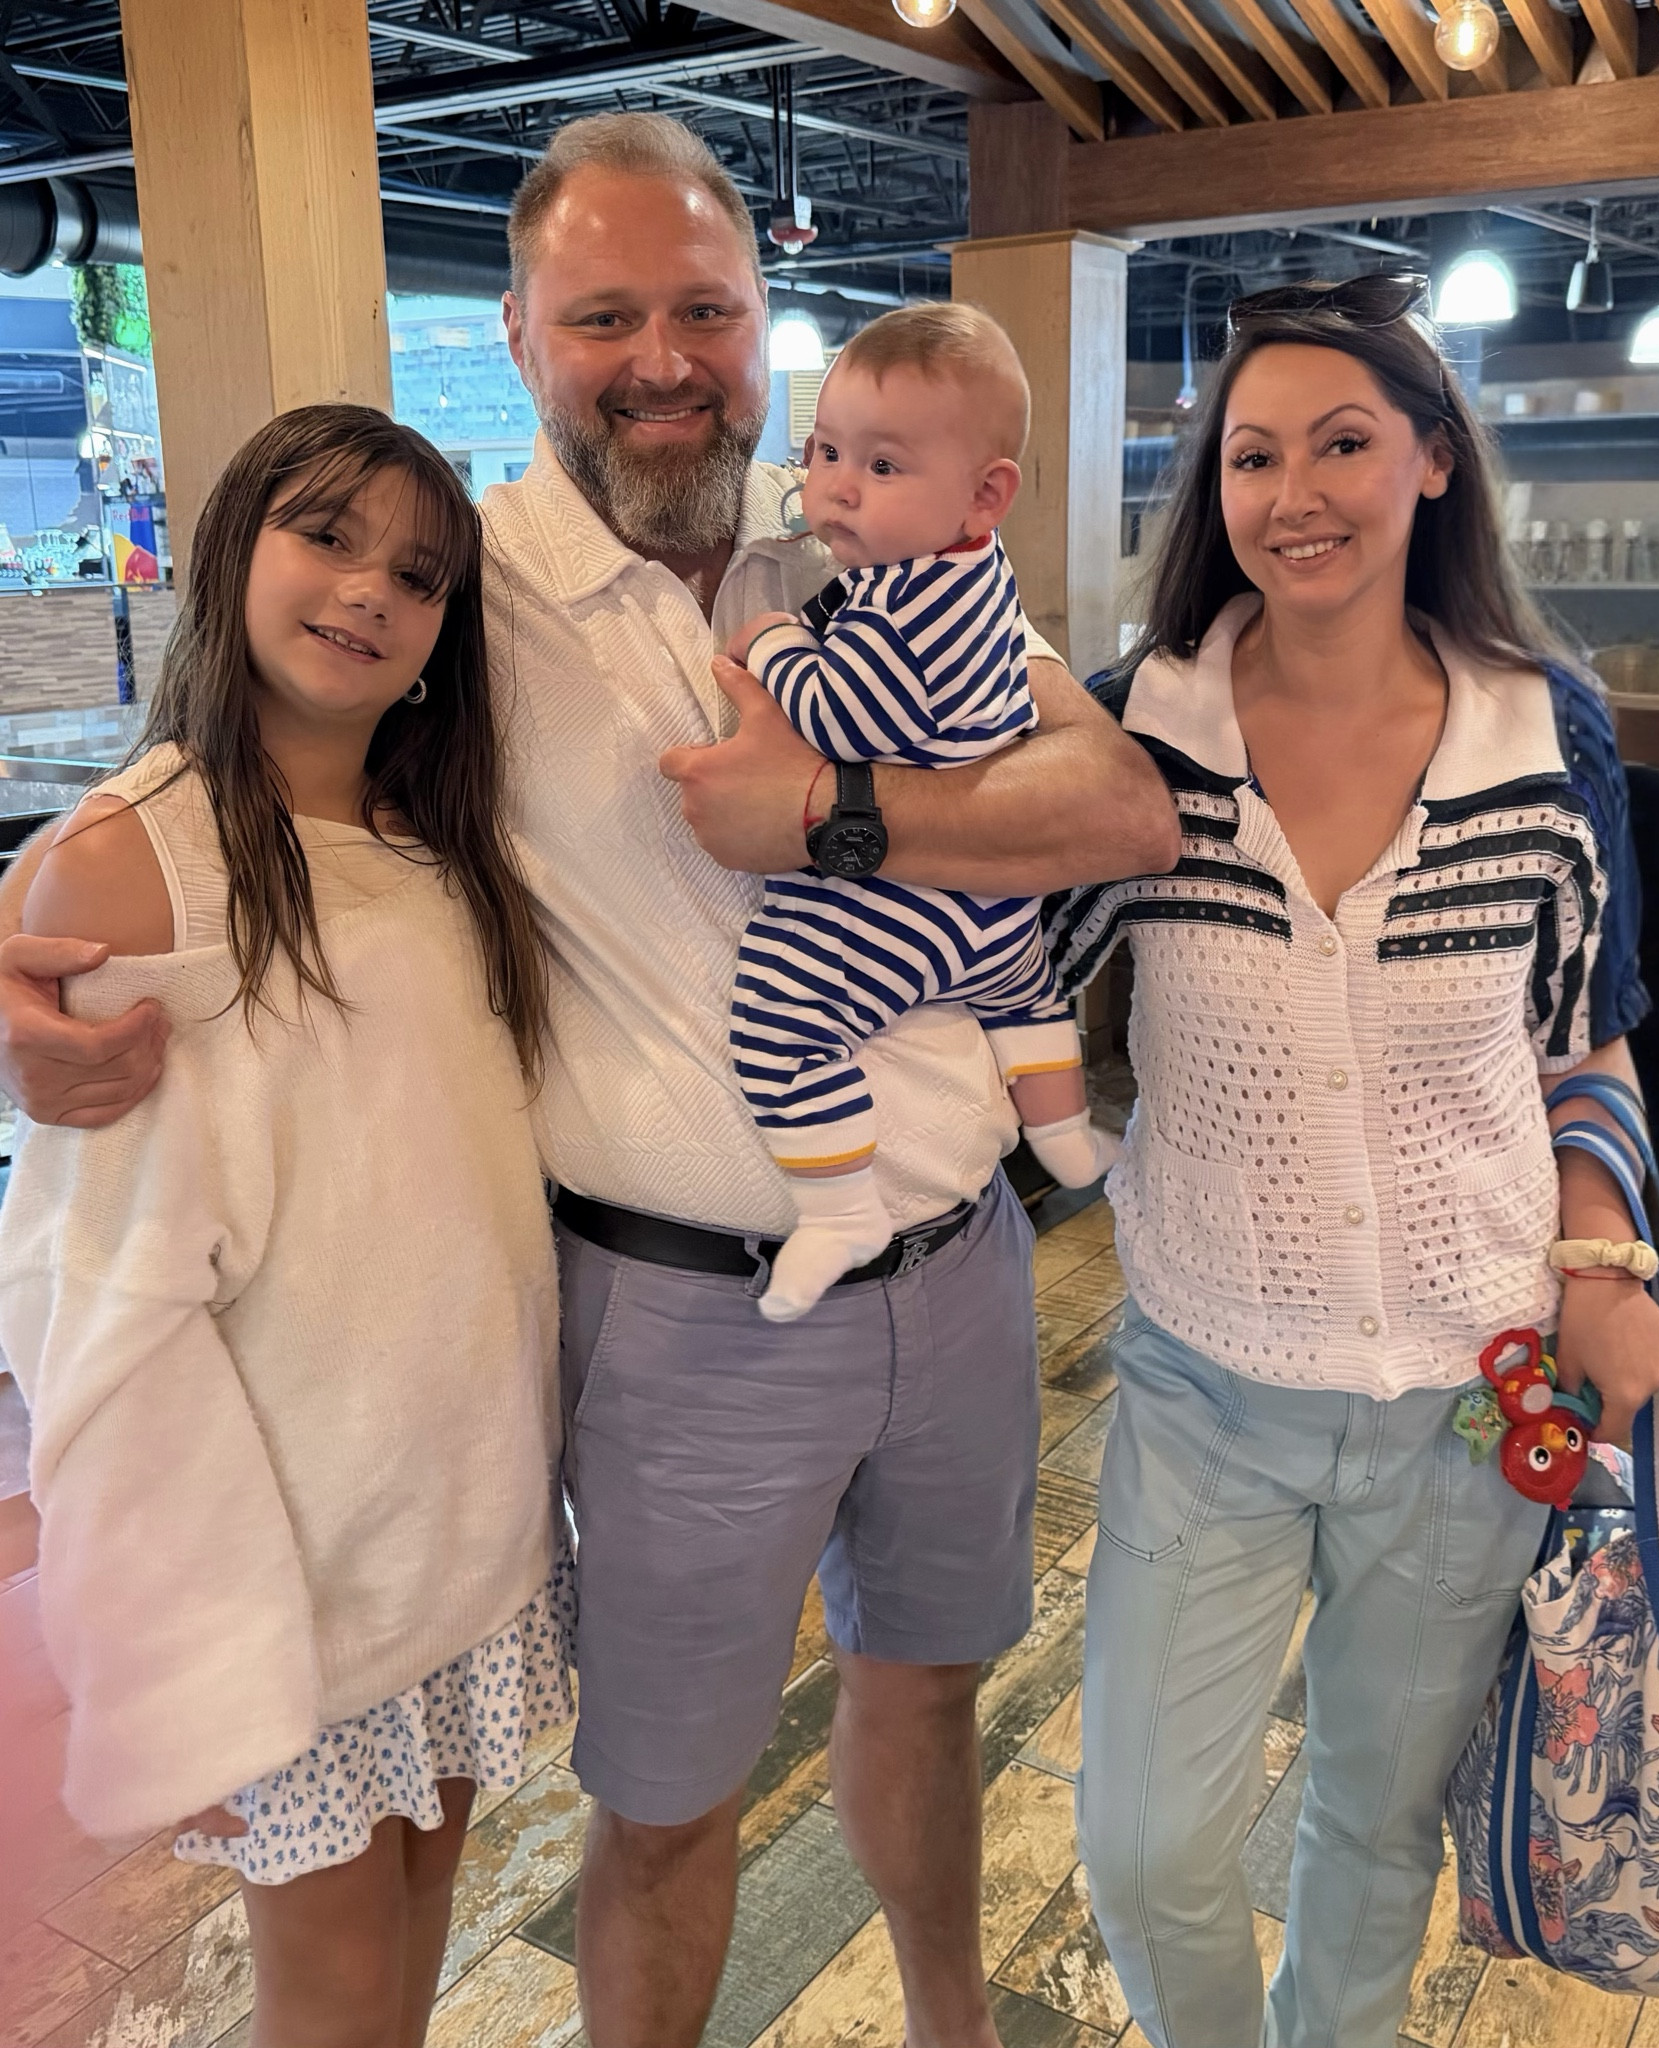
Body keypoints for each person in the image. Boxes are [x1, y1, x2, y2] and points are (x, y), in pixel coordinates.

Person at [0, 114, 1177, 2048]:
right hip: (679, 1313)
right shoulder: (471, 607)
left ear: (762, 322)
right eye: (603, 312)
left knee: (932, 1684)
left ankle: (957, 2023)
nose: (661, 356)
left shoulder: (870, 550)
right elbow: (229, 792)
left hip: (961, 1264)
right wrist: (23, 939)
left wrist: (836, 808)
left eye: (704, 309)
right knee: (666, 1802)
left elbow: (1114, 794)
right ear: (526, 334)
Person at [1044, 277, 1659, 2048]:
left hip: (1473, 1394)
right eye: (1253, 454)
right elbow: (1004, 968)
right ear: (1214, 488)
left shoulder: (1547, 730)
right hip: (1203, 1378)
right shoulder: (1136, 729)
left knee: (1373, 1815)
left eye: (1341, 441)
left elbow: (1589, 1030)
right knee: (1150, 1836)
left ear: (1430, 461)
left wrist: (1602, 1261)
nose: (1295, 490)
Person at [0, 405, 564, 2048]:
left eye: (419, 573)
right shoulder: (139, 859)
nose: (370, 592)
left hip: (460, 1517)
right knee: (326, 1992)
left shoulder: (443, 839)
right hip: (288, 1565)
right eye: (328, 536)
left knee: (414, 1935)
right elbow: (90, 1285)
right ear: (234, 540)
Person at [724, 302, 1121, 1321]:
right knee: (1024, 1002)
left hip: (907, 908)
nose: (836, 487)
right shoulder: (967, 571)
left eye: (882, 467)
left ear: (984, 494)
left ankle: (838, 1206)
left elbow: (839, 710)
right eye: (823, 452)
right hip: (994, 923)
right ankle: (1063, 1132)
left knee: (778, 1020)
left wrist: (770, 642)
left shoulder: (902, 602)